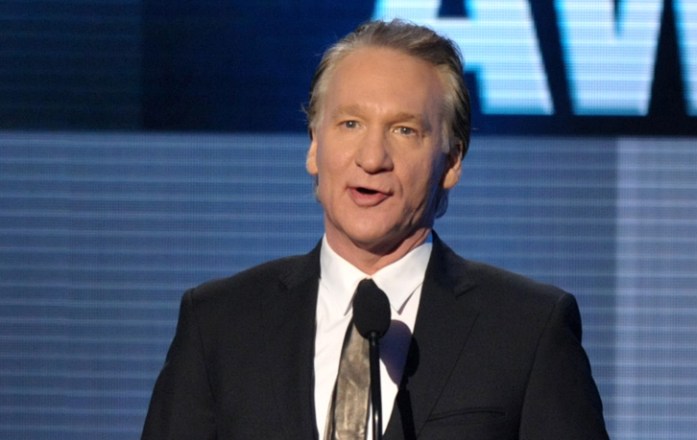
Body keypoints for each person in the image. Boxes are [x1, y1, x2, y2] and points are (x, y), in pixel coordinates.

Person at [141, 19, 609, 440]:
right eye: (349, 123)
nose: (372, 159)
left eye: (404, 131)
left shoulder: (527, 331)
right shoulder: (220, 324)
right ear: (314, 147)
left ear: (451, 161)